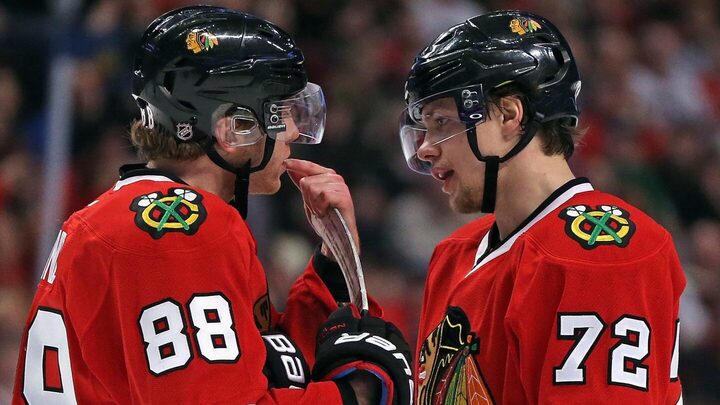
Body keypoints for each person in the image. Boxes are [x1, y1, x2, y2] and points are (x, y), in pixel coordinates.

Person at [13, 6, 412, 404]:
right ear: (232, 129)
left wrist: (333, 266)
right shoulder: (181, 233)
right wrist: (353, 397)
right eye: (280, 112)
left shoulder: (137, 218)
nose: (292, 131)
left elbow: (262, 374)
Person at [398, 10, 685, 404]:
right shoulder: (455, 254)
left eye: (442, 122)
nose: (425, 149)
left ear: (509, 114)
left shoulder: (596, 255)